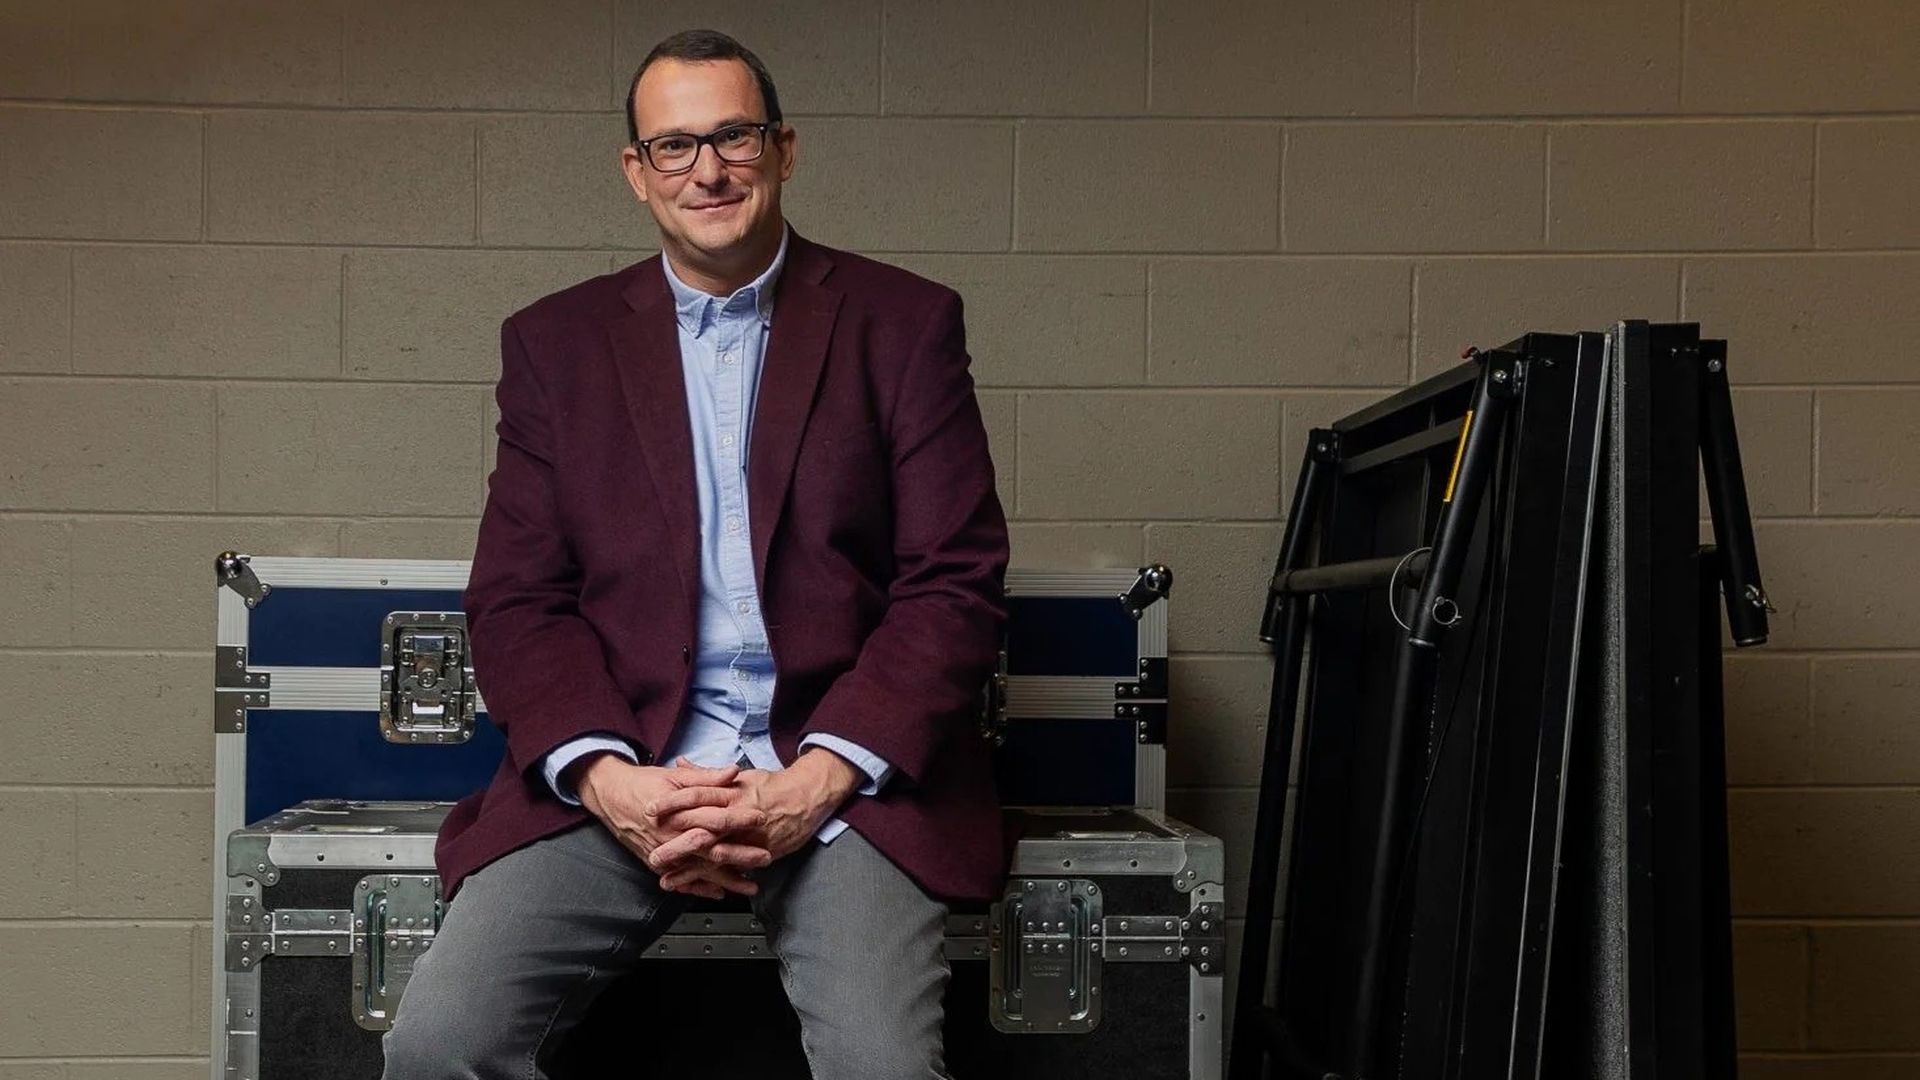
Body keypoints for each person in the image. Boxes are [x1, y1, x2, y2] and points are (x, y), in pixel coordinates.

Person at [379, 28, 1010, 1080]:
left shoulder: (904, 324)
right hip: (629, 771)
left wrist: (814, 782)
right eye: (674, 146)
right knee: (440, 1046)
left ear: (785, 149)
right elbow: (520, 598)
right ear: (637, 171)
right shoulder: (555, 344)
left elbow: (954, 584)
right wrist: (609, 781)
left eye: (734, 137)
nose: (707, 170)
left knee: (884, 1068)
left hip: (840, 781)